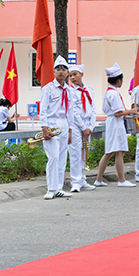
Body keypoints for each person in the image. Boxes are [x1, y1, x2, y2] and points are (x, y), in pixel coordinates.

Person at [39, 56, 79, 200]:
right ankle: (51, 188)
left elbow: (70, 112)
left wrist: (70, 131)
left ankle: (59, 188)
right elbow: (43, 110)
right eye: (58, 69)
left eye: (64, 69)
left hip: (64, 124)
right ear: (54, 72)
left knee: (62, 158)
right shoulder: (48, 89)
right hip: (51, 123)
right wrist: (44, 128)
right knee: (53, 157)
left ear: (67, 72)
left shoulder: (69, 90)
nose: (61, 72)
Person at [95, 63, 138, 188]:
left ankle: (99, 179)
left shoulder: (110, 92)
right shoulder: (113, 94)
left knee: (110, 152)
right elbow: (118, 112)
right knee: (119, 151)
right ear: (119, 80)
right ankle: (122, 180)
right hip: (115, 123)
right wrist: (131, 111)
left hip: (113, 122)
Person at [68, 65, 97, 193]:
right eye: (70, 75)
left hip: (87, 124)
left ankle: (83, 179)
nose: (72, 77)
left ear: (81, 74)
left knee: (84, 152)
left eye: (75, 74)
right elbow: (73, 111)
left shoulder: (89, 90)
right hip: (75, 124)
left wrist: (90, 126)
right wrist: (83, 127)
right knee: (75, 153)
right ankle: (75, 181)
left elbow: (93, 109)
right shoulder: (69, 91)